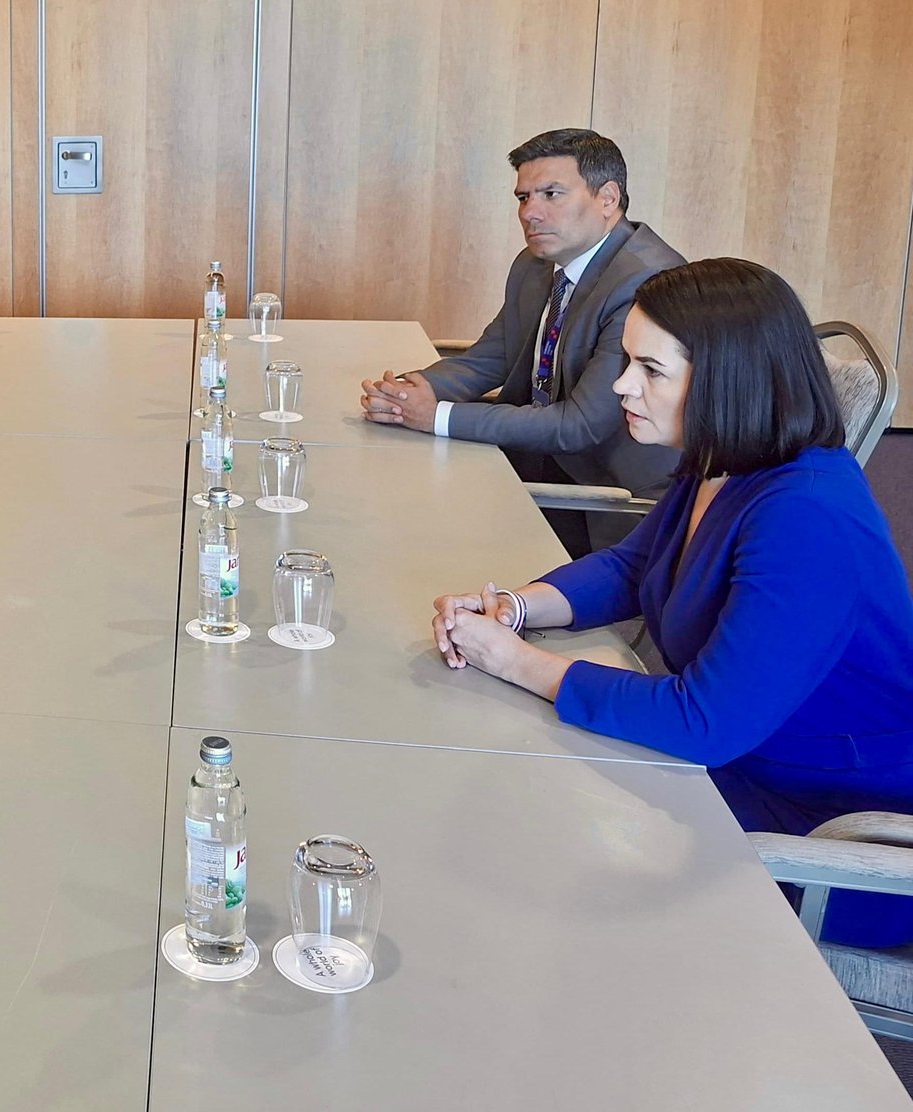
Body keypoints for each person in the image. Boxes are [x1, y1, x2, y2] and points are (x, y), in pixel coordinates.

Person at [430, 259, 913, 945]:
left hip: (834, 837)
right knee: (515, 801)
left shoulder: (807, 517)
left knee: (530, 849)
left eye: (650, 370)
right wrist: (516, 609)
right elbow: (636, 567)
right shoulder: (726, 461)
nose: (623, 385)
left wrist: (514, 662)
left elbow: (703, 722)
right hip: (737, 771)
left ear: (726, 380)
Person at [362, 129, 684, 553]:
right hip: (534, 461)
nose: (530, 213)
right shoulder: (536, 265)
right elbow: (493, 356)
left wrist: (436, 416)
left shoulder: (646, 281)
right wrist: (406, 393)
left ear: (607, 198)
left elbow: (581, 425)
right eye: (523, 197)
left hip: (607, 497)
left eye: (551, 194)